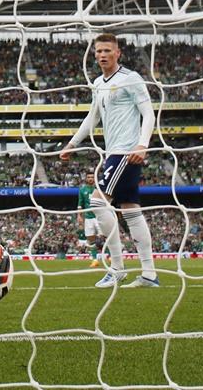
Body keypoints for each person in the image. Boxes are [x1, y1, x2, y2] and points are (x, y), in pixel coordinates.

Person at [60, 33, 158, 288]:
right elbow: (92, 118)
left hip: (126, 152)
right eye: (98, 51)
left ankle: (117, 268)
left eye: (106, 50)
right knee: (131, 210)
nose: (102, 55)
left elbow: (148, 114)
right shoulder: (98, 83)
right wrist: (72, 143)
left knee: (96, 200)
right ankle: (149, 274)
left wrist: (142, 144)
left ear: (118, 53)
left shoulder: (131, 79)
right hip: (113, 152)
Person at [78, 172, 108, 268]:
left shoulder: (99, 189)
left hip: (99, 216)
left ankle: (110, 256)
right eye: (88, 177)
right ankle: (95, 260)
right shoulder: (82, 190)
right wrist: (79, 216)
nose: (90, 178)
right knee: (91, 239)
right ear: (86, 179)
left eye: (92, 177)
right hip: (88, 217)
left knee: (104, 237)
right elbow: (80, 204)